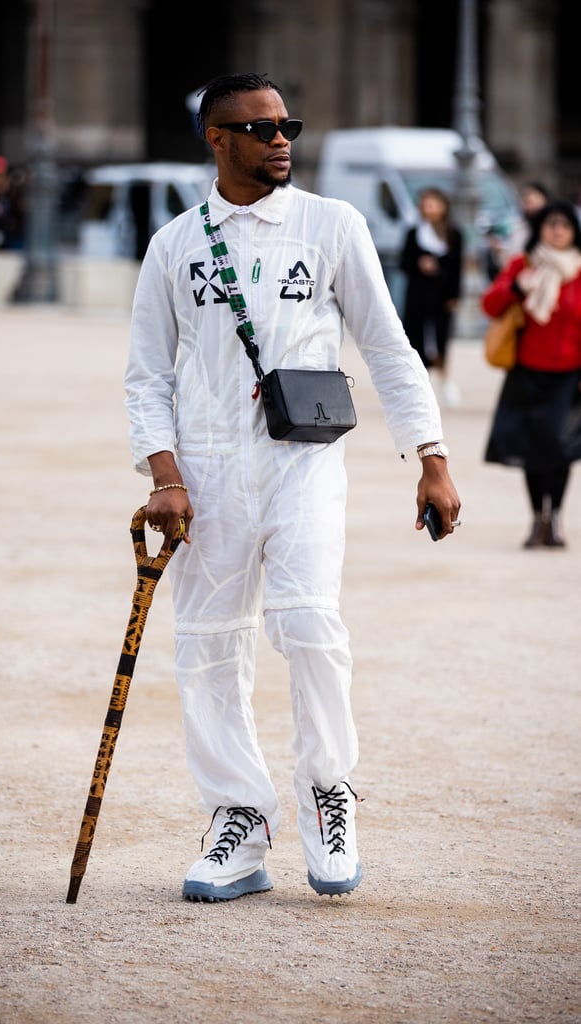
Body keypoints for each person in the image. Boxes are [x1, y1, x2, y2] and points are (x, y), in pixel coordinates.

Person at [124, 72, 461, 902]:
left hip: (304, 459)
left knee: (310, 625)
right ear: (216, 140)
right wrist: (163, 474)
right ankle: (238, 818)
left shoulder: (330, 225)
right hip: (203, 470)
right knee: (207, 643)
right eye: (259, 128)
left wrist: (432, 453)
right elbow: (144, 377)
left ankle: (328, 794)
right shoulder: (175, 242)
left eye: (287, 126)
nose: (280, 140)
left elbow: (387, 346)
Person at [483, 199, 581, 549]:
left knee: (560, 448)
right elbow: (489, 305)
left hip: (570, 376)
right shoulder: (523, 264)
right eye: (551, 224)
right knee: (531, 449)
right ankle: (537, 518)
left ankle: (554, 517)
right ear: (540, 229)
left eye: (564, 225)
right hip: (527, 371)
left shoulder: (580, 270)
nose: (557, 230)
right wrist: (516, 288)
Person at [399, 188, 463, 408]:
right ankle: (418, 386)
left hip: (441, 297)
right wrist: (419, 264)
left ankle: (445, 381)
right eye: (425, 204)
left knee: (440, 341)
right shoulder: (413, 233)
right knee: (414, 340)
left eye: (433, 204)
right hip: (417, 296)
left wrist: (454, 295)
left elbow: (457, 268)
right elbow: (404, 263)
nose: (429, 209)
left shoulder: (453, 234)